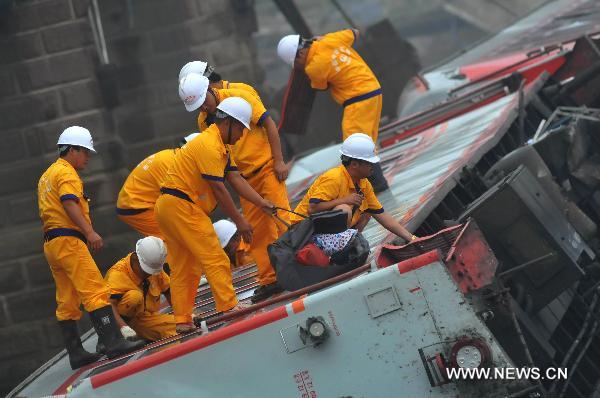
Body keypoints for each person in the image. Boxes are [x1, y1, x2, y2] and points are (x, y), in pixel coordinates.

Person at [155, 95, 274, 333]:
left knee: (183, 267)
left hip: (166, 206)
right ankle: (229, 306)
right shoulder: (208, 146)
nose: (242, 135)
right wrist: (240, 221)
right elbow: (220, 188)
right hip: (181, 205)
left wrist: (261, 202)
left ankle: (182, 320)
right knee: (215, 256)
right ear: (227, 123)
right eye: (240, 128)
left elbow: (235, 179)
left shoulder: (221, 146)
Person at [37, 126, 144, 369]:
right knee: (94, 289)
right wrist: (89, 231)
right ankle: (113, 342)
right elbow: (69, 203)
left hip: (52, 244)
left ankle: (75, 353)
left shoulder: (47, 175)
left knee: (67, 298)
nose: (88, 157)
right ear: (72, 150)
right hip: (69, 240)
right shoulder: (67, 174)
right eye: (85, 152)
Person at [180, 72, 290, 303]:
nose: (203, 109)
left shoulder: (240, 97)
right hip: (243, 179)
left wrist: (279, 160)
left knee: (281, 218)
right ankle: (270, 279)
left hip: (266, 169)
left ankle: (297, 262)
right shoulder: (204, 120)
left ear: (209, 89)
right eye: (198, 106)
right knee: (256, 233)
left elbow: (269, 123)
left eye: (204, 102)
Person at [277, 29, 389, 192]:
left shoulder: (314, 68)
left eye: (296, 65)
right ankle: (374, 180)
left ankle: (378, 184)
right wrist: (323, 40)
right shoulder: (331, 39)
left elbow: (321, 86)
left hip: (357, 99)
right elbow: (355, 32)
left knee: (354, 144)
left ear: (300, 55)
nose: (299, 68)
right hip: (373, 90)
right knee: (366, 141)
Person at [290, 134, 416, 248]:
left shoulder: (364, 184)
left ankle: (347, 246)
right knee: (344, 209)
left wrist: (412, 238)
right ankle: (339, 251)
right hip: (302, 234)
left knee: (367, 213)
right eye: (369, 163)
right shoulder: (334, 177)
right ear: (354, 164)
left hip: (324, 232)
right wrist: (344, 200)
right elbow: (312, 208)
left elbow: (382, 216)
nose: (374, 166)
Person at [116, 133, 199, 239]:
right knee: (175, 239)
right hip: (137, 206)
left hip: (135, 203)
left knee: (177, 238)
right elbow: (179, 201)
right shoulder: (173, 165)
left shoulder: (171, 156)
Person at [105, 236, 176, 342]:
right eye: (147, 270)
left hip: (146, 319)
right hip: (122, 323)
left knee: (175, 327)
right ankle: (121, 337)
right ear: (135, 259)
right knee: (134, 296)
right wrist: (123, 328)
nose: (149, 274)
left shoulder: (154, 266)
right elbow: (108, 307)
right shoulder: (117, 275)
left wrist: (184, 316)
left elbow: (169, 291)